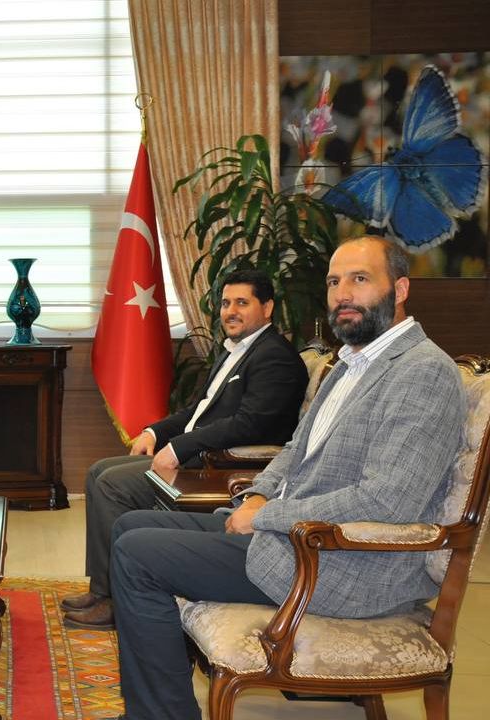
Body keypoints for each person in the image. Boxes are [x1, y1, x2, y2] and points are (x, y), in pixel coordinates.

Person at [108, 236, 465, 720]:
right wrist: (256, 496)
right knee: (130, 526)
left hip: (342, 562)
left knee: (136, 555)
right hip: (295, 538)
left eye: (360, 279)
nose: (342, 294)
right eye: (334, 282)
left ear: (399, 289)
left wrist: (266, 516)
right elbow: (296, 450)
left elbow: (388, 499)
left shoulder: (423, 372)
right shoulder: (350, 364)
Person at [63, 269, 308, 630]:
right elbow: (198, 410)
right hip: (199, 455)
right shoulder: (234, 351)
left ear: (267, 308)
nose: (230, 311)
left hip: (220, 466)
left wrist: (178, 448)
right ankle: (102, 588)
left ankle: (117, 600)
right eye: (226, 303)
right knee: (98, 470)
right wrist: (154, 432)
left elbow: (250, 424)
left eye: (242, 302)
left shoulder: (275, 357)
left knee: (111, 483)